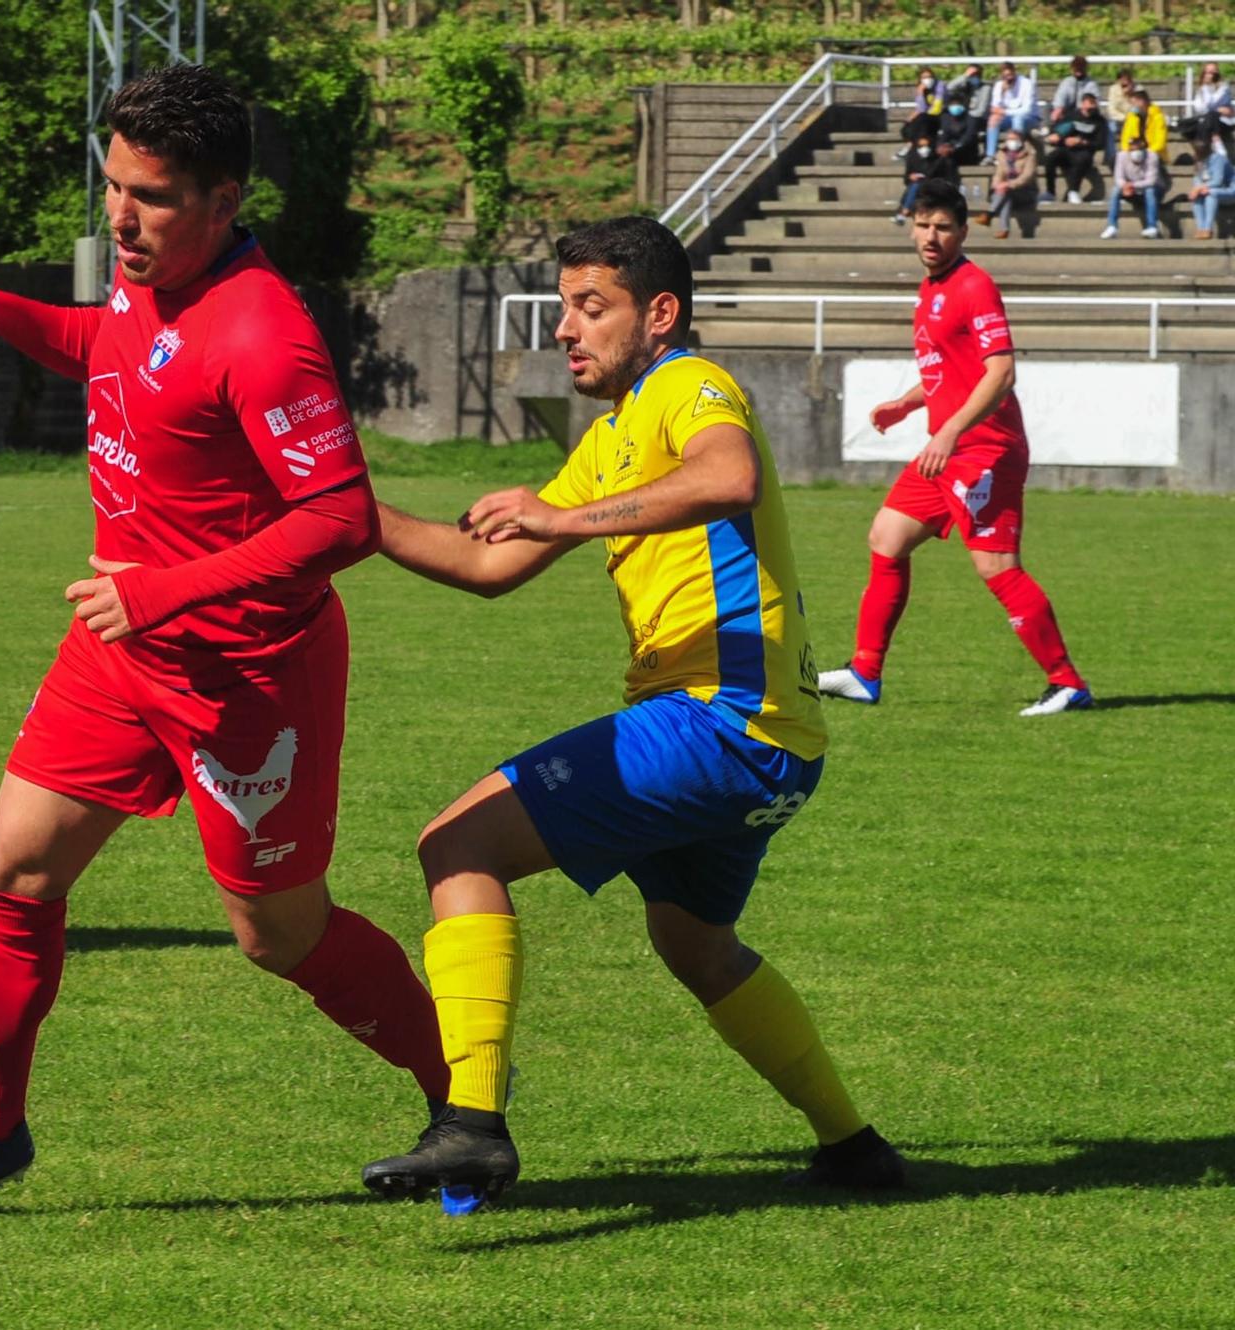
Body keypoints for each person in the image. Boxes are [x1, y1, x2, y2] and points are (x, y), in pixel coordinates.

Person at [0, 64, 451, 1218]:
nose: (120, 217)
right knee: (12, 870)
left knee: (278, 935)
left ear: (223, 202)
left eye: (153, 196)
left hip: (246, 676)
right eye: (112, 185)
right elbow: (113, 345)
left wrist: (170, 589)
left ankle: (460, 1103)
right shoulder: (146, 278)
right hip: (122, 649)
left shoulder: (265, 331)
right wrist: (0, 310)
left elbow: (339, 517)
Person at [358, 216, 905, 1207]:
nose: (567, 328)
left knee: (454, 847)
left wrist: (559, 517)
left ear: (659, 314)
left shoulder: (683, 386)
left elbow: (725, 473)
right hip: (767, 738)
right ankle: (852, 1146)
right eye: (564, 306)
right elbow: (489, 564)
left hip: (718, 714)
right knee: (693, 944)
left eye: (590, 307)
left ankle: (471, 1123)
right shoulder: (610, 438)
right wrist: (345, 513)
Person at [818, 180, 1092, 717]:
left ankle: (1067, 682)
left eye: (943, 227)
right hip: (946, 450)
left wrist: (948, 432)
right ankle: (864, 673)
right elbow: (950, 373)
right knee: (887, 536)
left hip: (983, 449)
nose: (931, 236)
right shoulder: (932, 289)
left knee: (997, 567)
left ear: (963, 232)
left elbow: (1001, 372)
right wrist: (907, 403)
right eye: (923, 225)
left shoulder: (973, 286)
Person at [1042, 92, 1109, 204]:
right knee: (1050, 158)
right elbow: (1057, 132)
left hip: (1085, 152)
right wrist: (1062, 139)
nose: (1089, 110)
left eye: (1092, 106)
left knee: (1082, 159)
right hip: (1066, 150)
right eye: (1087, 106)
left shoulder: (1100, 121)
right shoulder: (1071, 116)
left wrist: (1082, 142)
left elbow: (1100, 143)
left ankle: (1073, 191)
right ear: (1082, 104)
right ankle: (1050, 192)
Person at [1101, 135, 1165, 238]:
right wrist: (1125, 186)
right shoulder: (1121, 156)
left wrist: (1133, 185)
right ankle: (1112, 226)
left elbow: (1151, 180)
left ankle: (1152, 226)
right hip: (1131, 190)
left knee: (1150, 190)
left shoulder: (1152, 156)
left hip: (1153, 189)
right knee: (1115, 190)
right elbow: (1118, 177)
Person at [896, 125, 960, 223]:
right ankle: (905, 210)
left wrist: (940, 159)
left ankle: (904, 211)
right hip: (917, 187)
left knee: (916, 186)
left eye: (926, 146)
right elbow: (906, 178)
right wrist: (910, 177)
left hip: (935, 186)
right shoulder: (912, 157)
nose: (924, 149)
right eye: (921, 146)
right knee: (914, 186)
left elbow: (932, 173)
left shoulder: (938, 158)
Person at [1187, 119, 1235, 239]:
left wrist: (1200, 188)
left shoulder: (1218, 159)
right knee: (1196, 196)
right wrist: (1196, 189)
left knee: (1210, 193)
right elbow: (1197, 178)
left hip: (1229, 189)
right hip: (1210, 189)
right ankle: (1201, 228)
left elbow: (1217, 181)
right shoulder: (1199, 161)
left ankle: (1208, 228)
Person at [987, 134, 1037, 238]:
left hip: (1024, 191)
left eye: (1014, 139)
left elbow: (1027, 176)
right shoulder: (1002, 154)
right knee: (1006, 196)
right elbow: (998, 174)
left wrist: (1008, 184)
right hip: (1004, 192)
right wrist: (997, 185)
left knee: (1006, 192)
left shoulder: (1030, 155)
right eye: (1009, 139)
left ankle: (990, 214)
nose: (1012, 142)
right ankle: (1004, 230)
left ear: (1021, 141)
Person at [984, 62, 1038, 159]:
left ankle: (1017, 152)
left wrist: (1005, 112)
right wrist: (1002, 93)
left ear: (1014, 72)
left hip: (1029, 118)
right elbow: (995, 108)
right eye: (1005, 76)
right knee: (993, 119)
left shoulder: (1026, 84)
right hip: (1008, 117)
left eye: (1010, 75)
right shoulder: (999, 85)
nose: (1008, 78)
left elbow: (1027, 110)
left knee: (1018, 119)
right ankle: (990, 155)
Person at [1121, 87, 1169, 164]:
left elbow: (1160, 143)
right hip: (1135, 153)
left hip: (1154, 154)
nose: (1133, 106)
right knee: (1120, 157)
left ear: (1142, 101)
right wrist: (1128, 151)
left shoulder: (1158, 117)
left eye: (1134, 103)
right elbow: (1125, 139)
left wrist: (1147, 153)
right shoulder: (1131, 117)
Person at [1105, 67, 1138, 167]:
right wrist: (1124, 117)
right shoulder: (1113, 90)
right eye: (1122, 79)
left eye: (1127, 79)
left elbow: (1139, 109)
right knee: (1111, 128)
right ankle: (1111, 157)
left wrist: (1130, 96)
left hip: (1133, 121)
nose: (1125, 82)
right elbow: (1111, 110)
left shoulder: (1138, 90)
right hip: (1118, 120)